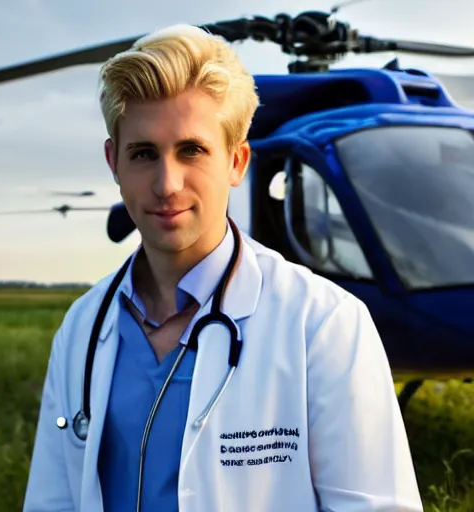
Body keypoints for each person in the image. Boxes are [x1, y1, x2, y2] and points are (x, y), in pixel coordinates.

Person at [23, 23, 423, 512]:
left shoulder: (323, 323)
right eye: (143, 153)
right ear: (114, 162)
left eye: (191, 150)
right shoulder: (82, 329)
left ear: (237, 161)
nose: (167, 184)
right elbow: (52, 502)